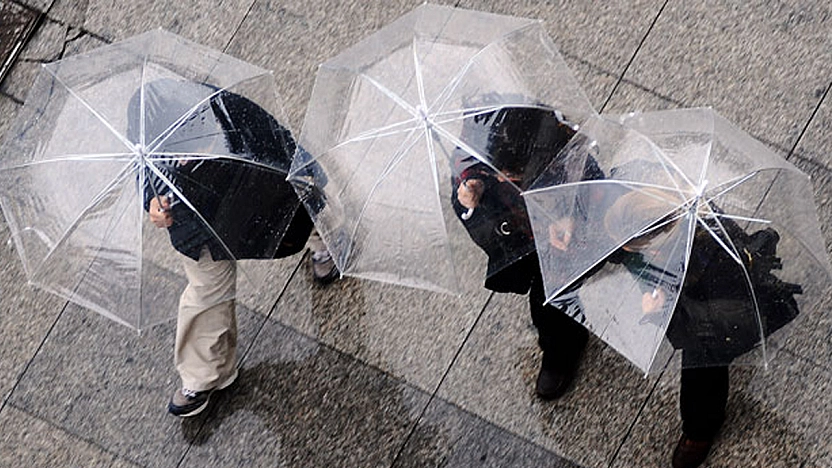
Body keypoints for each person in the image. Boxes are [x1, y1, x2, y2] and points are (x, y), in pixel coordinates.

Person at [135, 79, 316, 417]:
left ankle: (327, 242)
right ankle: (204, 376)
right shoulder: (147, 120)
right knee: (205, 293)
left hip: (254, 195)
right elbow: (142, 170)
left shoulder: (230, 113)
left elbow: (280, 151)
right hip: (197, 226)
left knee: (302, 216)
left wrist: (307, 177)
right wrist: (152, 203)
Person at [598, 189, 801, 468]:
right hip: (693, 289)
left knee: (703, 368)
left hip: (722, 316)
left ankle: (700, 431)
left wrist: (661, 312)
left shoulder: (715, 260)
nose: (623, 252)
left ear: (653, 244)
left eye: (630, 247)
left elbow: (702, 328)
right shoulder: (667, 217)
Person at [451, 101, 603, 400]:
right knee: (544, 301)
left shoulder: (571, 161)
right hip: (523, 245)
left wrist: (569, 217)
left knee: (553, 298)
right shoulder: (480, 163)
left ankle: (563, 347)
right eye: (497, 172)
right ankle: (561, 346)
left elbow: (600, 198)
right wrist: (470, 204)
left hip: (565, 248)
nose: (501, 178)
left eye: (509, 174)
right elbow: (474, 214)